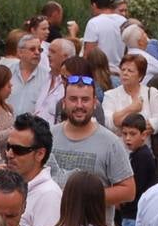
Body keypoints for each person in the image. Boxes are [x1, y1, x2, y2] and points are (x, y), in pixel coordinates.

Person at [50, 63, 135, 212]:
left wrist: (81, 196)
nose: (79, 105)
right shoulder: (48, 137)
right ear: (64, 103)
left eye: (85, 99)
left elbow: (128, 191)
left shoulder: (111, 142)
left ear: (95, 103)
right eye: (73, 99)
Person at [3, 112, 62, 226]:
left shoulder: (49, 195)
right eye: (8, 147)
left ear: (40, 154)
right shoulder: (6, 186)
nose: (9, 154)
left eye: (19, 150)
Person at [117, 112, 157, 226]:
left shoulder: (142, 157)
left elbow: (134, 190)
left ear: (144, 134)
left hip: (133, 216)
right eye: (124, 134)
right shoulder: (137, 155)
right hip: (132, 216)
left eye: (132, 134)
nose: (127, 138)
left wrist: (120, 201)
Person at [103, 53, 158, 136]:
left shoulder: (152, 93)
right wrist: (131, 108)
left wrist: (128, 127)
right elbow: (109, 123)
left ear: (140, 76)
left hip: (146, 146)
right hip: (118, 146)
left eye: (130, 71)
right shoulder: (110, 95)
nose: (125, 73)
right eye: (123, 69)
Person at [82, 0, 126, 68]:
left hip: (100, 72)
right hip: (120, 71)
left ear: (94, 5)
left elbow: (89, 53)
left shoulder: (93, 23)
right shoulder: (123, 21)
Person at [9, 33, 47, 116]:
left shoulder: (47, 77)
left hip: (33, 127)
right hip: (8, 126)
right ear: (20, 52)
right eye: (32, 49)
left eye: (40, 50)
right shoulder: (9, 73)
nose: (37, 53)